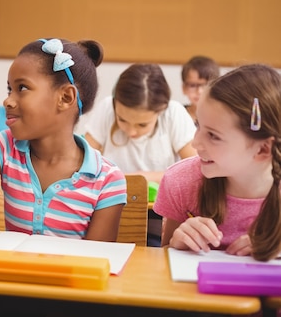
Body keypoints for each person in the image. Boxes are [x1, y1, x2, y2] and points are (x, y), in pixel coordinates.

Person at [0, 38, 127, 315]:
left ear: (66, 98)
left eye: (22, 88)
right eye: (9, 89)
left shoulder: (107, 180)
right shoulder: (4, 147)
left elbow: (94, 269)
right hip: (9, 300)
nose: (8, 100)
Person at [154, 64, 281, 261]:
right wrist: (176, 244)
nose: (195, 143)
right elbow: (162, 261)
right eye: (198, 126)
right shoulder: (181, 182)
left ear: (263, 149)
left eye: (213, 135)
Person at [83, 63, 197, 246]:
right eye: (123, 120)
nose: (131, 132)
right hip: (111, 210)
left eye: (142, 125)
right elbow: (83, 162)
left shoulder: (174, 113)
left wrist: (143, 177)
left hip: (157, 215)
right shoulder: (106, 108)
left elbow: (195, 168)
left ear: (160, 111)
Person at [181, 55, 220, 122]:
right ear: (184, 88)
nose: (199, 91)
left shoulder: (221, 116)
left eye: (205, 85)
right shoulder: (178, 115)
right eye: (193, 85)